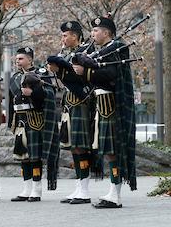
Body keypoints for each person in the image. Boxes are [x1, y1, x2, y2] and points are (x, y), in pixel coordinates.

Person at [72, 16, 137, 208]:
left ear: (107, 32)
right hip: (102, 105)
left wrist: (88, 71)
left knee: (113, 150)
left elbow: (112, 75)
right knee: (107, 151)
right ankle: (112, 191)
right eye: (92, 31)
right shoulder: (103, 51)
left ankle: (115, 194)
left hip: (113, 105)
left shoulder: (117, 48)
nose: (92, 34)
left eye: (96, 30)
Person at [47, 21, 94, 204]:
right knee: (73, 146)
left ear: (75, 36)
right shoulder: (67, 54)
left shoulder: (85, 52)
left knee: (81, 146)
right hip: (69, 103)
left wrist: (61, 70)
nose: (63, 39)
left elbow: (83, 79)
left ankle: (85, 189)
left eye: (66, 35)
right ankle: (79, 186)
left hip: (82, 102)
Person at [8, 47, 59, 202]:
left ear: (30, 59)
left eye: (21, 58)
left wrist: (34, 93)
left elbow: (50, 94)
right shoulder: (15, 77)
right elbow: (12, 101)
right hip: (20, 119)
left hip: (34, 118)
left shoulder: (41, 74)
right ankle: (26, 189)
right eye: (16, 59)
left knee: (34, 156)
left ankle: (37, 189)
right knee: (23, 155)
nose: (18, 61)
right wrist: (12, 122)